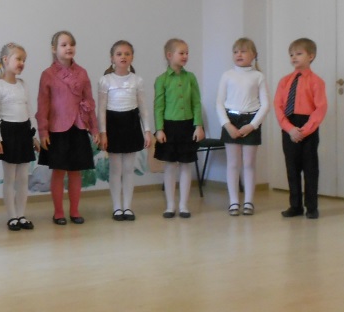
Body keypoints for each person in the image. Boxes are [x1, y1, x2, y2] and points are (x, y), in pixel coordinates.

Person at [36, 30, 98, 225]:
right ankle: (58, 212)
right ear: (54, 49)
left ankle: (75, 211)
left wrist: (94, 129)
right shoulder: (47, 75)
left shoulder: (82, 73)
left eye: (71, 44)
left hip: (78, 127)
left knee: (75, 171)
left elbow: (89, 102)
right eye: (64, 45)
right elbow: (43, 105)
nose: (68, 47)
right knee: (58, 171)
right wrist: (43, 131)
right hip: (57, 129)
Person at [97, 40, 152, 221]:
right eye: (119, 54)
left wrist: (147, 130)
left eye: (127, 54)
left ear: (132, 57)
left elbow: (143, 108)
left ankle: (127, 207)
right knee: (116, 169)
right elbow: (101, 110)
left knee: (128, 168)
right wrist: (103, 132)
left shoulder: (137, 80)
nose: (123, 57)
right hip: (113, 125)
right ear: (112, 58)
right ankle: (117, 207)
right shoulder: (105, 81)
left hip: (131, 124)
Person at [273, 38, 328, 219]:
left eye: (298, 54)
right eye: (291, 54)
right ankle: (295, 205)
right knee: (292, 167)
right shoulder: (284, 81)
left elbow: (320, 108)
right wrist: (289, 128)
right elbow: (278, 106)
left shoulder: (317, 82)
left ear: (311, 56)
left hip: (308, 127)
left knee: (310, 168)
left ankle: (311, 207)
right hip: (289, 126)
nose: (294, 57)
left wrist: (304, 130)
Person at [216, 37, 270, 216]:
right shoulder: (227, 75)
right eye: (235, 51)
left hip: (251, 120)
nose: (239, 54)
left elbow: (265, 105)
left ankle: (248, 201)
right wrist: (227, 125)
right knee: (233, 164)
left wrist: (252, 125)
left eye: (243, 51)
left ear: (253, 55)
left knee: (249, 164)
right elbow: (219, 103)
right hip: (231, 120)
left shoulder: (258, 76)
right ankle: (233, 201)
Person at [0, 42, 40, 231]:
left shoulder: (23, 85)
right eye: (18, 59)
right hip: (8, 134)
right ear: (5, 60)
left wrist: (34, 135)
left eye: (24, 60)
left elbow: (30, 111)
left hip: (24, 132)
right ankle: (12, 216)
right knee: (10, 178)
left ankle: (21, 214)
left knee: (23, 178)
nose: (22, 63)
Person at [153, 38, 205, 218]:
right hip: (169, 127)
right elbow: (158, 106)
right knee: (170, 166)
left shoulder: (190, 78)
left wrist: (198, 125)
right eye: (181, 53)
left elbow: (196, 103)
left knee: (185, 165)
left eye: (187, 53)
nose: (185, 56)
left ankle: (184, 205)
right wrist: (159, 129)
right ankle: (170, 205)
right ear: (169, 55)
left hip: (187, 126)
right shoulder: (161, 80)